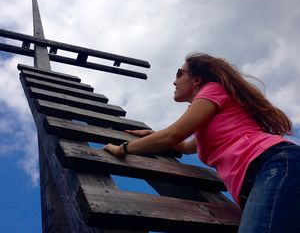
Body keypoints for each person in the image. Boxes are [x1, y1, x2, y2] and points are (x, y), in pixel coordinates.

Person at [104, 52, 300, 233]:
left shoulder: (212, 90)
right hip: (273, 169)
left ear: (196, 79)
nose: (174, 81)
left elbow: (173, 135)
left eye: (179, 73)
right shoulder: (209, 120)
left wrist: (123, 148)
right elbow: (186, 146)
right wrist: (152, 134)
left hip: (272, 164)